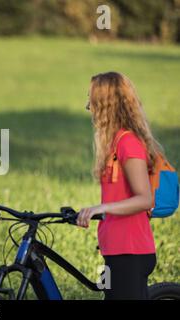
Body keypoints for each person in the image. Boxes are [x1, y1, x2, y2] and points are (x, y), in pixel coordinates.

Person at [77, 72, 158, 300]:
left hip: (130, 252)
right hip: (115, 250)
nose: (87, 107)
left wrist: (100, 208)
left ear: (106, 104)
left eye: (91, 101)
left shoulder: (128, 143)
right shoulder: (113, 145)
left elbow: (145, 199)